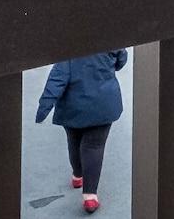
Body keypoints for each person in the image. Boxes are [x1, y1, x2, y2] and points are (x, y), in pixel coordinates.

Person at [36, 48, 127, 211]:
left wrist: (43, 109)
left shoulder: (70, 47)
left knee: (74, 141)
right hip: (103, 104)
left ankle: (78, 175)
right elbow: (121, 59)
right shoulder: (109, 37)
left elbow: (56, 80)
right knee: (94, 147)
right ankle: (90, 196)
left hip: (73, 108)